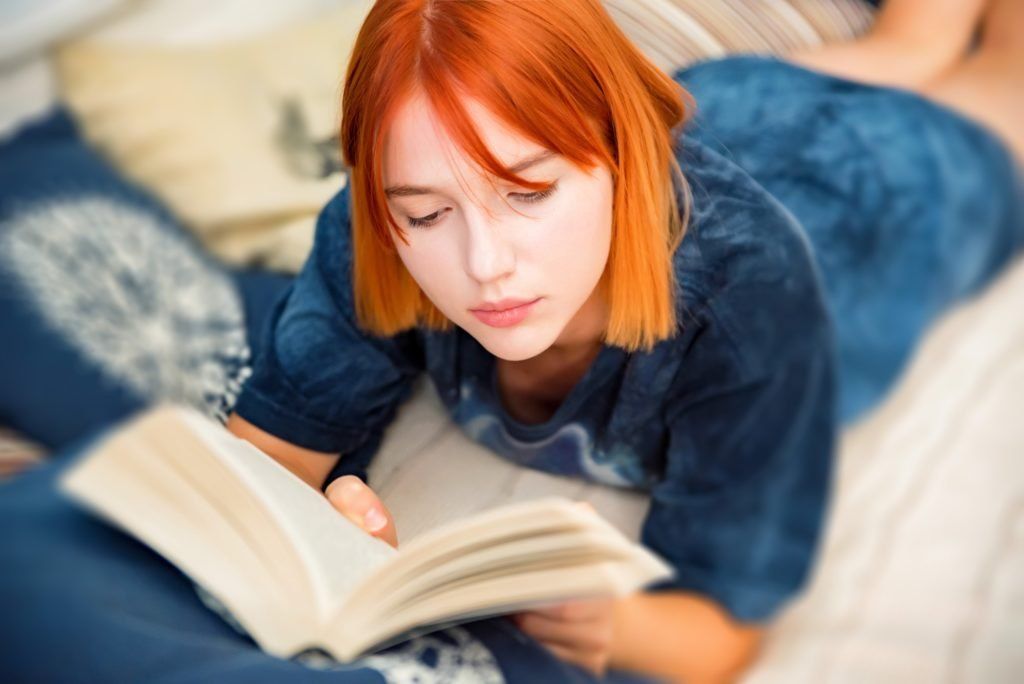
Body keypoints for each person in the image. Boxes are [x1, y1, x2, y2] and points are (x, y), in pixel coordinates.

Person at [2, 0, 1022, 682]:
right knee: (895, 55)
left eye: (527, 194)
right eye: (425, 211)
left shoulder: (748, 298)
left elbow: (718, 633)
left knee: (990, 82)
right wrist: (318, 520)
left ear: (621, 162)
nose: (483, 266)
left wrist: (610, 624)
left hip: (892, 190)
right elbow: (262, 461)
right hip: (737, 104)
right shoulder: (372, 234)